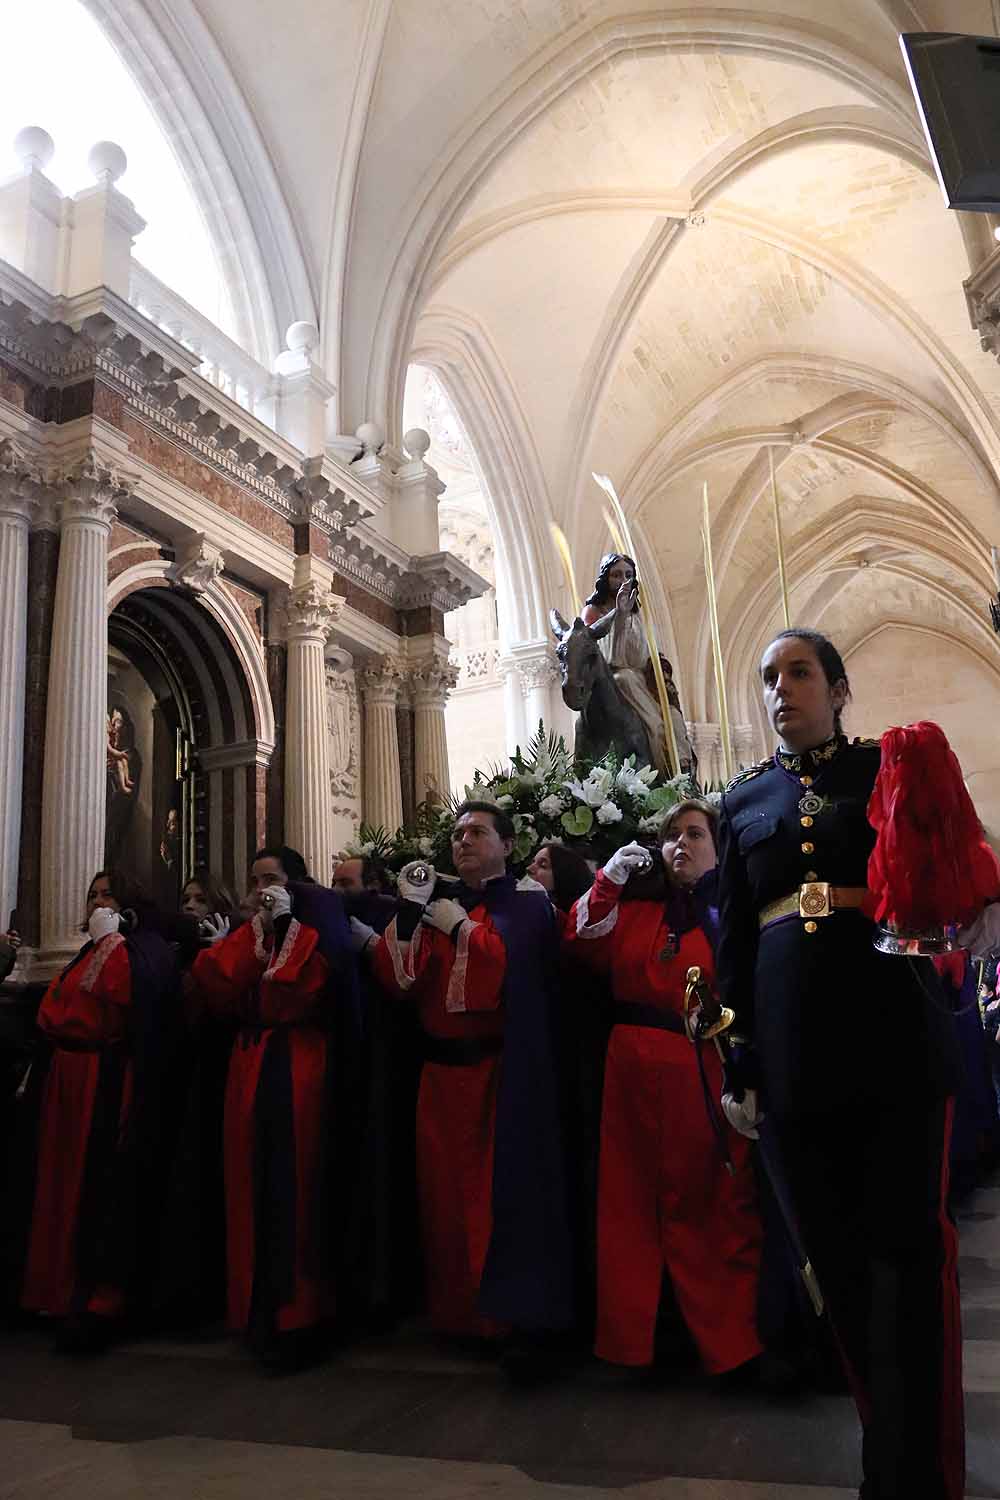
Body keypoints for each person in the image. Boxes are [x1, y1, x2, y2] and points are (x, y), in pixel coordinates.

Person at [716, 628, 965, 1500]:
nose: (781, 689)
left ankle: (914, 1469)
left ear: (838, 687)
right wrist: (740, 1058)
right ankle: (883, 1444)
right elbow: (737, 940)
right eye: (768, 678)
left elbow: (935, 890)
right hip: (790, 1052)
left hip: (890, 1033)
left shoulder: (883, 769)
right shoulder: (742, 802)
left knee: (906, 1259)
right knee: (835, 1263)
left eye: (799, 672)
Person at [364, 802, 574, 1369]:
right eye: (457, 834)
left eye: (477, 832)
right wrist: (410, 919)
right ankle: (457, 1314)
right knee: (444, 1197)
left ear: (508, 846)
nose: (463, 841)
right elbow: (400, 979)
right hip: (439, 1074)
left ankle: (506, 1319)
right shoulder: (435, 901)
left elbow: (505, 976)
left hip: (500, 1075)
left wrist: (460, 927)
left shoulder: (528, 906)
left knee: (496, 1199)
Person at [564, 802, 763, 1377]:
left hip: (700, 1066)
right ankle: (632, 1341)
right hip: (628, 1068)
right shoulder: (634, 907)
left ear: (718, 847)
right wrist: (608, 879)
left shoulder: (730, 912)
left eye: (695, 834)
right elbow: (578, 939)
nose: (681, 844)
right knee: (627, 1202)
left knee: (710, 1203)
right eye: (671, 835)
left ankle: (728, 1344)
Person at [190, 845, 353, 1366]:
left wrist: (283, 933)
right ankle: (255, 1308)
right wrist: (254, 938)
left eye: (272, 878)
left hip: (295, 1059)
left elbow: (295, 986)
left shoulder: (311, 931)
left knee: (294, 1182)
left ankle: (297, 1314)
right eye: (256, 878)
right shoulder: (255, 931)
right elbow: (217, 981)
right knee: (247, 1183)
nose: (262, 888)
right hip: (251, 1060)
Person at [15, 870, 178, 1349]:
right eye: (92, 896)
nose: (98, 903)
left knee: (95, 1185)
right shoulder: (90, 951)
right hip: (66, 1078)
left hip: (102, 1081)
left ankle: (91, 1299)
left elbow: (121, 1002)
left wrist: (111, 946)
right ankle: (51, 1291)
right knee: (59, 1183)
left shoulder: (138, 950)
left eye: (108, 895)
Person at [582, 554, 693, 775]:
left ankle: (680, 765)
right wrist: (619, 616)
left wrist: (660, 670)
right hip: (615, 680)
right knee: (627, 683)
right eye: (616, 575)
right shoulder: (593, 612)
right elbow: (606, 657)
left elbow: (650, 652)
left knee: (674, 718)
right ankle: (658, 740)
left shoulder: (638, 615)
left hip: (644, 679)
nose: (623, 580)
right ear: (605, 578)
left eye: (628, 575)